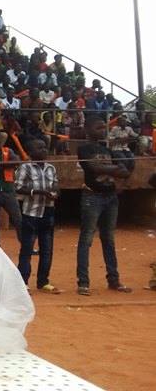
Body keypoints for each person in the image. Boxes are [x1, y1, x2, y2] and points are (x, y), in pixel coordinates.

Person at [76, 117, 132, 296]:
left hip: (110, 196)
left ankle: (114, 280)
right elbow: (92, 168)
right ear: (88, 130)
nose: (103, 130)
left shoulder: (107, 149)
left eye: (103, 127)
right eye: (98, 127)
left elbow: (125, 172)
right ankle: (83, 282)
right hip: (92, 196)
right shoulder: (83, 149)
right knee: (86, 239)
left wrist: (109, 169)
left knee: (108, 239)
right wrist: (113, 169)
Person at [15, 139, 61, 294]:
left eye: (44, 147)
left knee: (47, 248)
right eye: (39, 147)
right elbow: (18, 187)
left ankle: (43, 281)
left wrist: (54, 194)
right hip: (31, 212)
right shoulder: (25, 167)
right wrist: (39, 192)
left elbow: (56, 186)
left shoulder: (51, 168)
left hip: (48, 211)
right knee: (27, 248)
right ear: (30, 152)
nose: (43, 150)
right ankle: (23, 282)